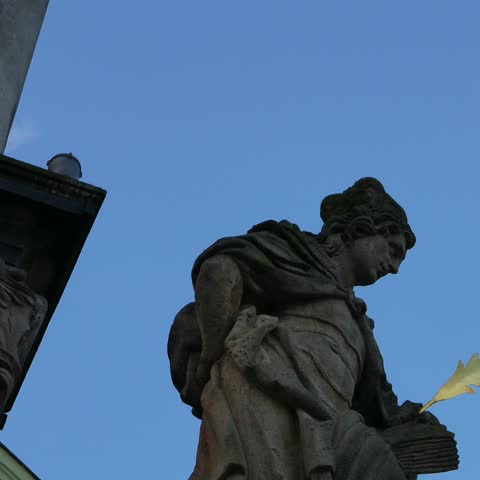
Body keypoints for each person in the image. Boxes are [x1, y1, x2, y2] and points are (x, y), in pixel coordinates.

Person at [168, 178, 458, 480]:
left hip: (332, 426)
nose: (395, 267)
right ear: (363, 228)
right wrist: (215, 357)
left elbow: (378, 407)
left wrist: (409, 422)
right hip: (268, 400)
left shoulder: (359, 323)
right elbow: (219, 272)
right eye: (393, 250)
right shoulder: (295, 254)